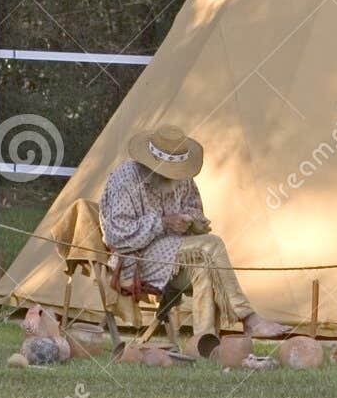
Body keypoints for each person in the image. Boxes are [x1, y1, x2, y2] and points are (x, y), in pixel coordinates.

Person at [99, 123, 287, 357]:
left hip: (176, 255)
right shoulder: (125, 179)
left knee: (203, 268)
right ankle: (249, 317)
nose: (173, 176)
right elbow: (116, 234)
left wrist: (194, 221)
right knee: (212, 243)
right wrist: (163, 222)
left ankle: (204, 345)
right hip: (136, 256)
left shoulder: (182, 177)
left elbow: (195, 209)